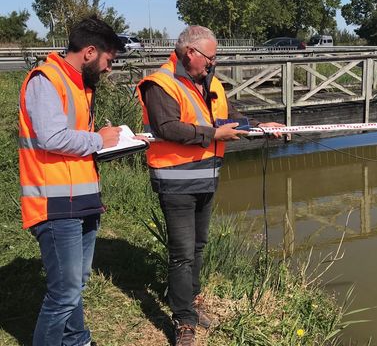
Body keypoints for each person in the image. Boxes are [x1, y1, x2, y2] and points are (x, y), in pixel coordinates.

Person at [136, 25, 283, 345]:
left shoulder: (210, 82)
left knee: (198, 247)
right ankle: (184, 321)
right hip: (175, 181)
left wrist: (259, 126)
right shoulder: (160, 83)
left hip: (207, 177)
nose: (213, 63)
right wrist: (213, 136)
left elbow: (227, 117)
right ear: (191, 53)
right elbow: (167, 128)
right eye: (210, 57)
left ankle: (192, 299)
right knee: (182, 254)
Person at [18, 17, 123, 346]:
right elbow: (51, 137)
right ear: (90, 52)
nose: (108, 69)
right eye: (109, 60)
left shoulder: (78, 84)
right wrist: (98, 140)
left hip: (82, 200)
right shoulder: (46, 80)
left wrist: (107, 144)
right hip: (55, 203)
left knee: (76, 284)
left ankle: (78, 341)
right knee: (63, 294)